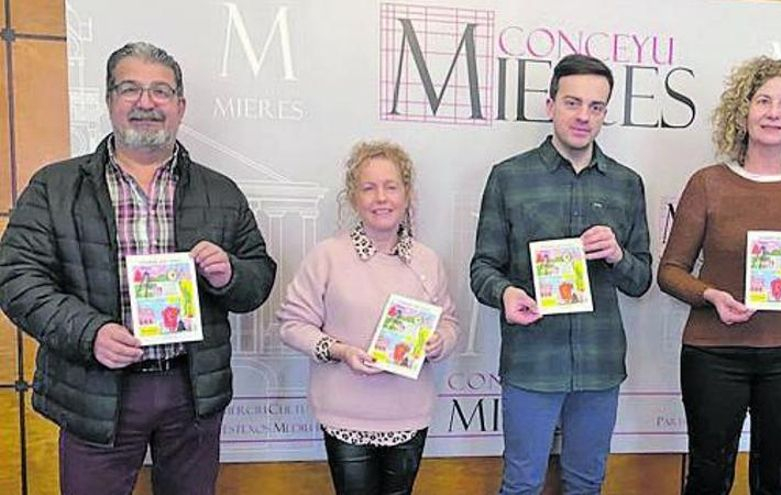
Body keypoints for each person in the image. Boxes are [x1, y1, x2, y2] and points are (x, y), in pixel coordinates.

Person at [0, 41, 276, 495]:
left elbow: (258, 277)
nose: (146, 102)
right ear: (109, 100)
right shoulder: (55, 185)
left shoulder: (221, 191)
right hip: (96, 390)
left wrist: (230, 274)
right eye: (130, 89)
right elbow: (17, 278)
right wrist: (90, 334)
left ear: (180, 106)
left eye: (161, 92)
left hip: (192, 391)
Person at [657, 56, 781, 494]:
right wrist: (711, 296)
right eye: (763, 100)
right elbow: (670, 272)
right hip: (713, 353)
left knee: (776, 482)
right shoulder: (708, 183)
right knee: (707, 478)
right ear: (743, 111)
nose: (774, 112)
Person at [470, 54, 652, 494]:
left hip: (600, 363)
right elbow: (482, 268)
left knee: (587, 485)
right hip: (532, 362)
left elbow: (642, 278)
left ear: (606, 113)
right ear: (550, 105)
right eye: (573, 103)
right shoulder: (509, 178)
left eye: (596, 107)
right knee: (521, 485)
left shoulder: (627, 183)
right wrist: (507, 293)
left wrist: (617, 255)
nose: (583, 116)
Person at [277, 141, 458, 495]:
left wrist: (440, 342)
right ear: (353, 196)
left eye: (391, 187)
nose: (381, 198)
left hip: (409, 411)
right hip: (345, 412)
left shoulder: (427, 261)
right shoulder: (327, 256)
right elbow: (291, 325)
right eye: (368, 187)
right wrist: (339, 350)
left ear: (407, 195)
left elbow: (449, 323)